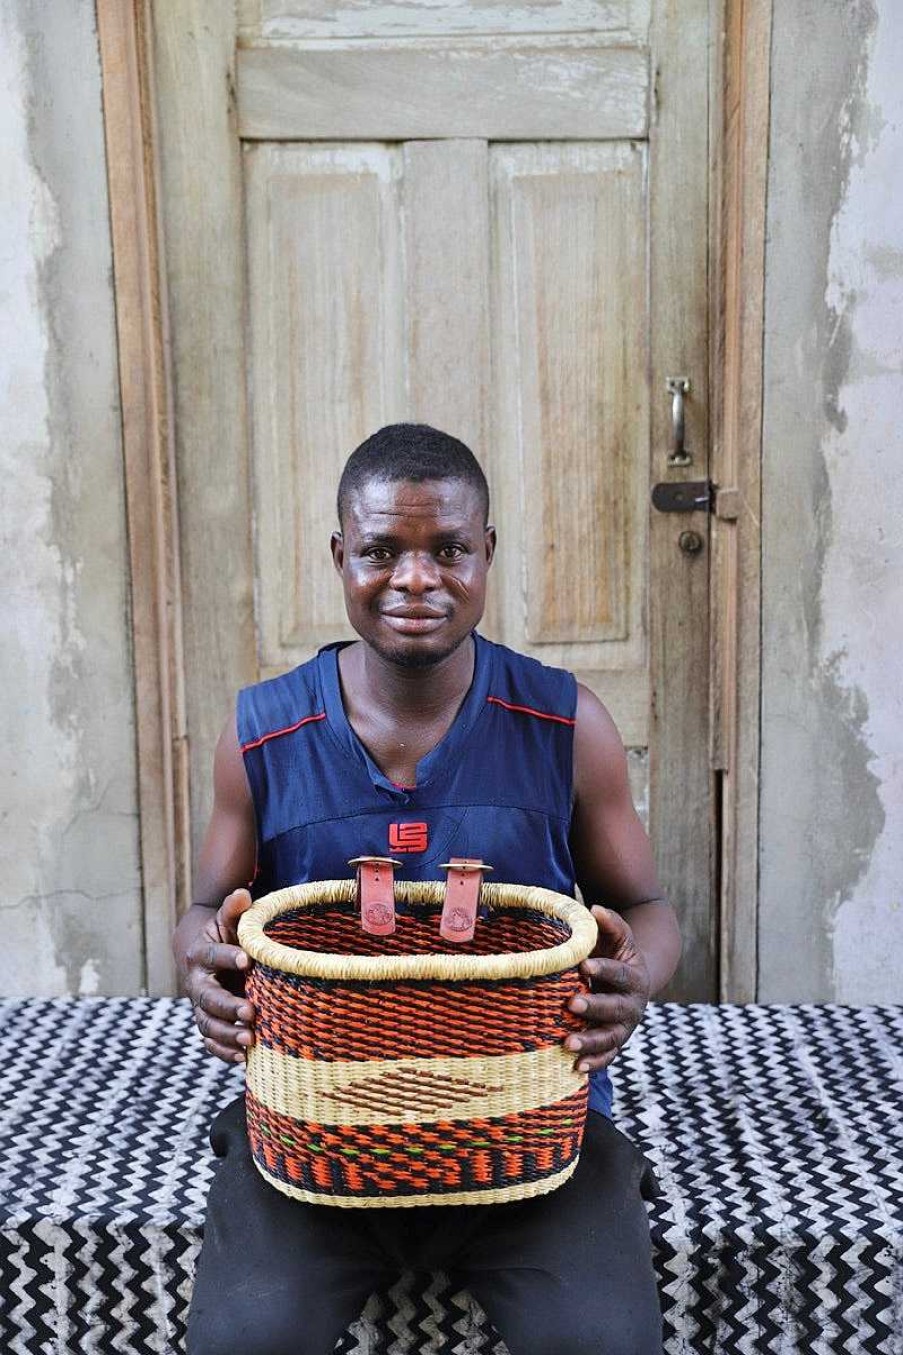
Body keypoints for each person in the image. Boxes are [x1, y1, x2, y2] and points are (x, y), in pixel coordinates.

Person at [174, 423, 681, 1355]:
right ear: (339, 556)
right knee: (244, 1338)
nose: (415, 579)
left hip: (526, 1130)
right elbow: (207, 905)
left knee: (603, 1342)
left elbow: (644, 905)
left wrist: (636, 978)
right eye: (380, 551)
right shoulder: (261, 731)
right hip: (316, 1139)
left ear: (486, 553)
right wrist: (202, 965)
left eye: (448, 548)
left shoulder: (566, 721)